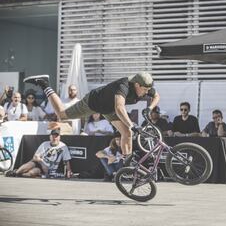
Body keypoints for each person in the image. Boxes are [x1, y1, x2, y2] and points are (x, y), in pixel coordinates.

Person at [23, 72, 160, 166]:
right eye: (145, 90)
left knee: (127, 133)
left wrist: (150, 108)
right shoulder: (123, 86)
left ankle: (127, 164)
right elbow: (119, 107)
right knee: (62, 114)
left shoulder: (145, 87)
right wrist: (131, 124)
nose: (147, 92)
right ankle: (44, 84)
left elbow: (156, 96)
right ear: (137, 85)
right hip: (93, 103)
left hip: (109, 109)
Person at [5, 128, 72, 178]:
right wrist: (42, 163)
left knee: (31, 173)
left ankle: (19, 174)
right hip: (39, 163)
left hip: (48, 169)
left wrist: (69, 171)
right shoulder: (44, 144)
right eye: (53, 136)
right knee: (31, 163)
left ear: (59, 137)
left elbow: (67, 161)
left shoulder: (63, 146)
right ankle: (15, 173)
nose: (55, 138)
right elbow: (35, 157)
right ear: (50, 137)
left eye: (56, 136)